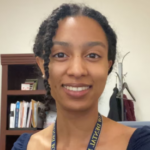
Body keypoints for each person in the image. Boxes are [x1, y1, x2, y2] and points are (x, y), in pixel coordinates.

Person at [12, 3, 150, 150]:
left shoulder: (141, 144)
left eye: (92, 55)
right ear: (42, 66)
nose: (77, 71)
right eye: (60, 55)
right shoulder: (26, 146)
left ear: (108, 65)